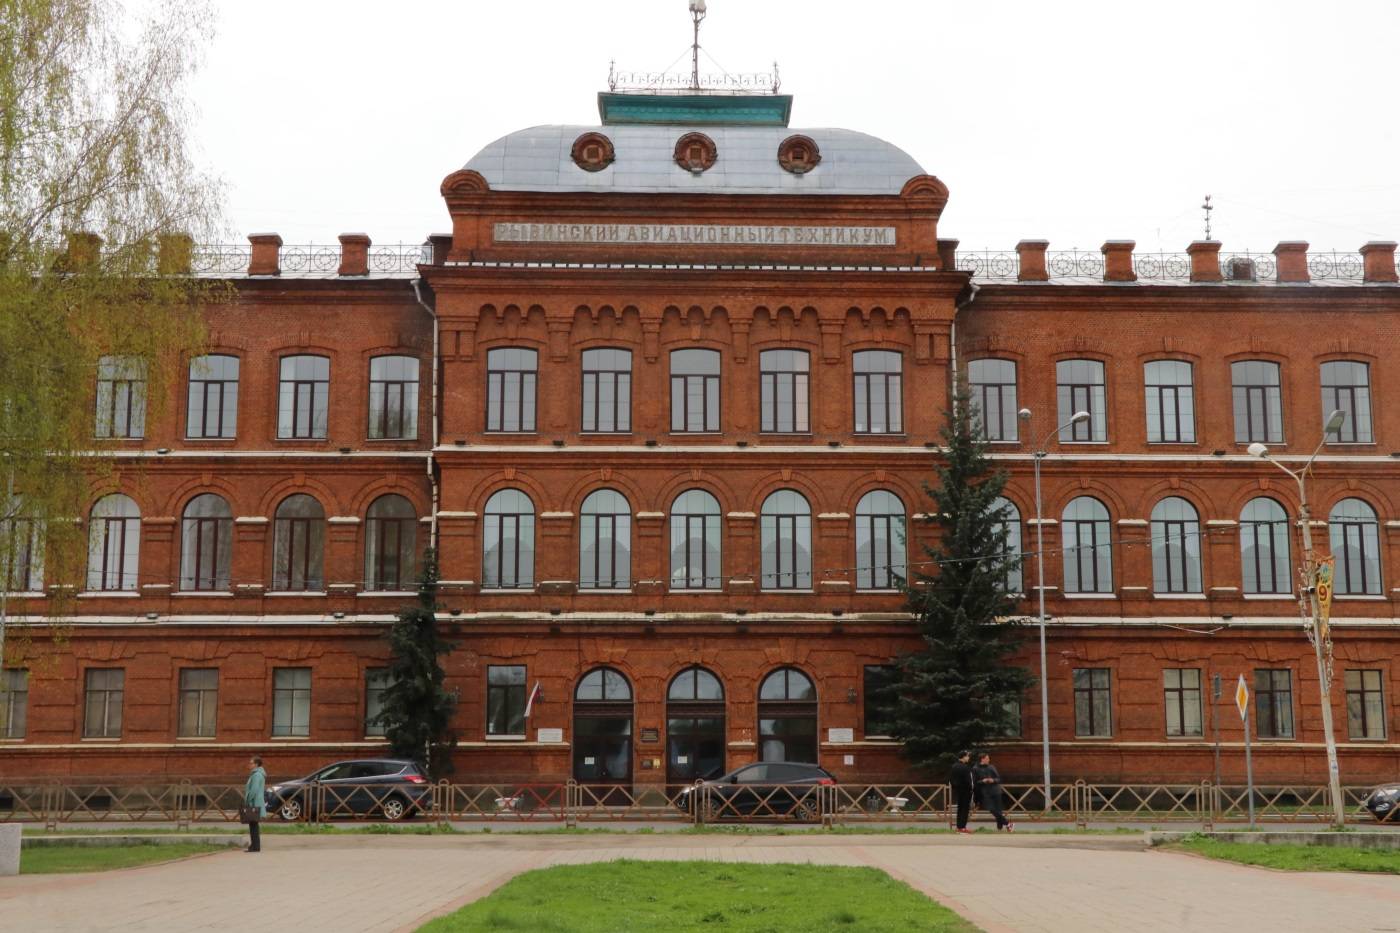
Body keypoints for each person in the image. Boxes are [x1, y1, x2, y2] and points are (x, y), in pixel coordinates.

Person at [973, 752, 1013, 832]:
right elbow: (975, 781)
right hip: (985, 792)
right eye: (987, 758)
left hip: (996, 790)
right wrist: (982, 781)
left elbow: (999, 779)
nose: (989, 760)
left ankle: (1000, 829)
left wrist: (993, 780)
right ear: (982, 759)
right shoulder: (975, 768)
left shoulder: (991, 767)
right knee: (991, 809)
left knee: (999, 810)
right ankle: (1008, 824)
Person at [243, 756, 268, 852]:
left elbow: (254, 789)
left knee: (253, 825)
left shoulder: (257, 775)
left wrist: (248, 800)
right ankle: (254, 846)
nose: (249, 765)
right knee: (254, 825)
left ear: (256, 764)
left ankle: (255, 846)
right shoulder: (257, 774)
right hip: (256, 802)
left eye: (251, 763)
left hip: (254, 802)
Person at [949, 750, 974, 834]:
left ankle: (958, 827)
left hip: (958, 791)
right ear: (963, 757)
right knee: (965, 809)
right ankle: (962, 828)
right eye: (967, 756)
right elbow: (968, 780)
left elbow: (951, 779)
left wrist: (955, 788)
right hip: (966, 791)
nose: (968, 757)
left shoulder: (954, 766)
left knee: (960, 809)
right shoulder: (965, 767)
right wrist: (971, 789)